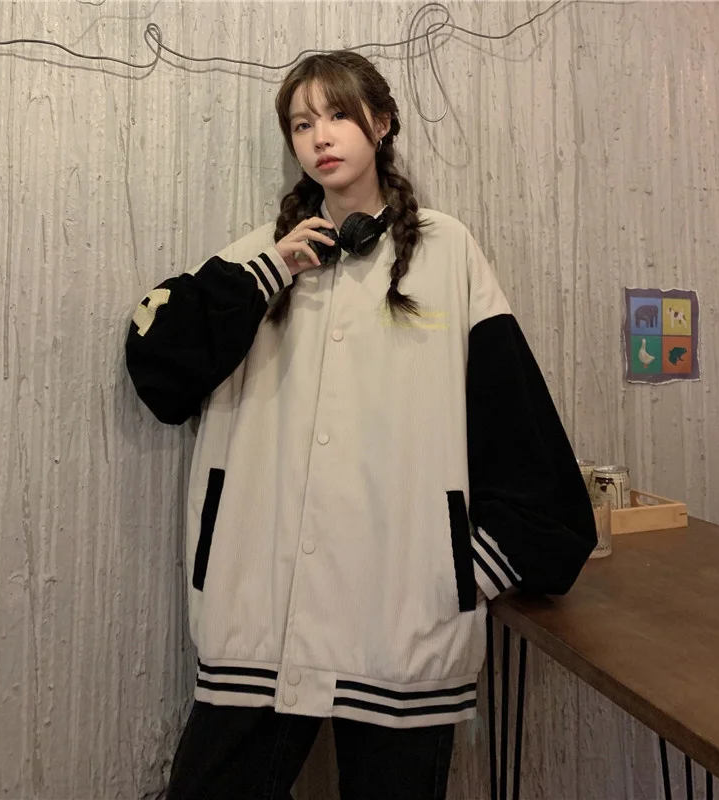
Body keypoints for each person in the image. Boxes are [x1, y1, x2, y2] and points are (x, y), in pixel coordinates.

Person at [125, 50, 596, 800]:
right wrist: (269, 273)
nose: (320, 136)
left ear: (380, 123)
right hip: (257, 620)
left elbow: (519, 430)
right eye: (301, 123)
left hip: (402, 627)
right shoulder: (258, 258)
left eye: (338, 114)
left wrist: (461, 573)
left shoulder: (445, 250)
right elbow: (158, 370)